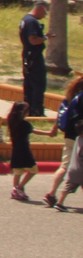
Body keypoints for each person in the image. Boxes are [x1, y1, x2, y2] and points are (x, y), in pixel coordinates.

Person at [47, 75, 83, 208]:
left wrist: (54, 129)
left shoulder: (70, 97)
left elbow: (61, 115)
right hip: (80, 138)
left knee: (65, 166)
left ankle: (52, 194)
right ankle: (56, 196)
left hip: (69, 136)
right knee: (75, 168)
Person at [21, 0, 50, 128]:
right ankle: (37, 110)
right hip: (34, 56)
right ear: (40, 8)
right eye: (45, 11)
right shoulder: (32, 21)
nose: (45, 15)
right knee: (38, 84)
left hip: (28, 55)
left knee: (29, 84)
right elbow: (33, 40)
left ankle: (28, 109)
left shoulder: (26, 19)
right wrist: (46, 38)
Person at [8, 101, 39, 202]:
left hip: (16, 151)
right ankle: (20, 188)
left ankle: (15, 190)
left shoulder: (12, 123)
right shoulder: (25, 124)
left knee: (18, 171)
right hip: (25, 151)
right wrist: (48, 133)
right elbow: (34, 131)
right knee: (33, 170)